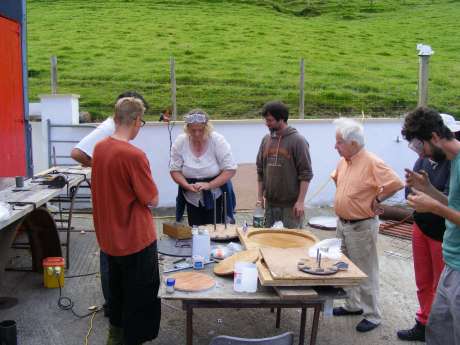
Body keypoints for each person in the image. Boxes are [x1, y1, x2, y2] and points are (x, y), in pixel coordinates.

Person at [70, 91, 149, 318]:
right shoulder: (108, 131)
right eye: (140, 119)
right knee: (113, 250)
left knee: (111, 247)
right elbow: (77, 152)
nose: (140, 125)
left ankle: (115, 305)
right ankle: (114, 305)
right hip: (111, 199)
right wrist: (102, 168)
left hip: (110, 197)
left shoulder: (115, 136)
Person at [91, 97, 160, 345]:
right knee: (141, 294)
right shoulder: (134, 155)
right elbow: (151, 199)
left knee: (117, 292)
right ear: (136, 121)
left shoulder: (100, 148)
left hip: (109, 237)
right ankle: (133, 339)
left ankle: (116, 334)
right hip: (135, 238)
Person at [331, 117, 404, 333]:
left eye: (339, 142)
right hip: (343, 224)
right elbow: (338, 180)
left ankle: (372, 315)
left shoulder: (372, 161)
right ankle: (352, 305)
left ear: (353, 143)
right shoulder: (344, 160)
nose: (335, 146)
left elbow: (396, 183)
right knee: (344, 266)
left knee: (365, 270)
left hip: (361, 226)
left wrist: (378, 199)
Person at [402, 107, 460, 345]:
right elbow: (454, 205)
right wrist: (429, 191)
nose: (422, 154)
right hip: (452, 263)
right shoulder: (454, 161)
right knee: (437, 333)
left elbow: (449, 211)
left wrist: (434, 208)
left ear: (435, 137)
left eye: (422, 146)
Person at [170, 109, 237, 226]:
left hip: (215, 195)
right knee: (195, 230)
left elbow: (230, 169)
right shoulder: (181, 141)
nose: (196, 134)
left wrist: (209, 185)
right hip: (191, 196)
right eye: (193, 130)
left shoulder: (217, 140)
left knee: (216, 230)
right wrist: (186, 185)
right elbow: (175, 170)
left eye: (200, 130)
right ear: (187, 128)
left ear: (207, 128)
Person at [256, 101, 313, 229]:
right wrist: (260, 198)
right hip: (270, 205)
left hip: (291, 206)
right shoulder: (265, 140)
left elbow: (306, 174)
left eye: (270, 120)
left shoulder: (298, 141)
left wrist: (300, 202)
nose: (267, 123)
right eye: (266, 120)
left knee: (292, 244)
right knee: (267, 242)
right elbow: (260, 171)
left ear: (281, 119)